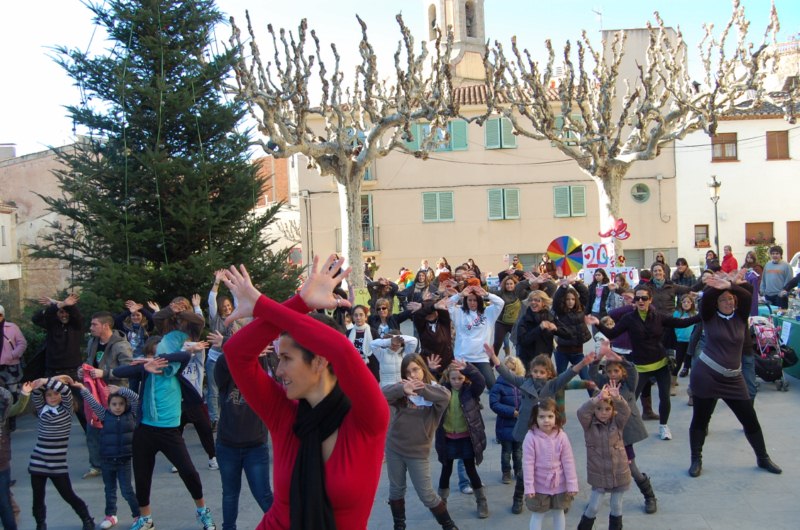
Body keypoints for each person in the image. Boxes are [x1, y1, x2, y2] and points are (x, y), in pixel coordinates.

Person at [221, 255, 390, 529]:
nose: (278, 371)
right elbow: (236, 353)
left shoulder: (368, 419)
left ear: (320, 361)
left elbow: (341, 349)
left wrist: (263, 305)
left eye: (287, 359)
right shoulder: (284, 415)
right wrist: (300, 303)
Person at [113, 316, 217, 530]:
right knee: (142, 476)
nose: (155, 359)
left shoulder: (174, 370)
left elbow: (182, 355)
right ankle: (146, 518)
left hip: (169, 432)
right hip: (145, 430)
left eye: (158, 355)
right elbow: (121, 371)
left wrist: (187, 348)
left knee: (189, 473)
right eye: (152, 355)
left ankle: (202, 511)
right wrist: (144, 365)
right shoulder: (146, 372)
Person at [687, 275, 782, 477]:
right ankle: (696, 459)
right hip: (706, 375)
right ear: (716, 303)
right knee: (701, 420)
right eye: (723, 299)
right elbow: (706, 301)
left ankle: (763, 458)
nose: (728, 302)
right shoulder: (709, 317)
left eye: (731, 299)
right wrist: (715, 288)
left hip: (733, 377)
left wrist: (729, 286)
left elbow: (747, 296)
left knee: (750, 419)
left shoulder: (740, 316)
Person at [486, 345, 596, 514]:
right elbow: (506, 374)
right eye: (535, 371)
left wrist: (584, 363)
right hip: (527, 432)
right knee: (527, 466)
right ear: (530, 372)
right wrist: (494, 357)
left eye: (542, 372)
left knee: (554, 464)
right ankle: (518, 498)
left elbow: (569, 373)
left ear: (549, 373)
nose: (538, 375)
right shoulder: (524, 383)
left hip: (548, 432)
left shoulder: (552, 385)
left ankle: (559, 496)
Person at [587, 285, 701, 441]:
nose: (640, 301)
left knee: (664, 397)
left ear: (650, 300)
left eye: (644, 298)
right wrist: (597, 323)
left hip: (660, 364)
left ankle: (663, 427)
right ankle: (620, 427)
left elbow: (682, 323)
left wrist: (703, 315)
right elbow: (612, 333)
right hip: (640, 367)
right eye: (637, 298)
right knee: (629, 398)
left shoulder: (659, 316)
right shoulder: (629, 318)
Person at [383, 354, 456, 529]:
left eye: (415, 369)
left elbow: (445, 397)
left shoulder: (435, 391)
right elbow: (380, 394)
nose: (412, 375)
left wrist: (419, 389)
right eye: (408, 372)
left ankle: (449, 525)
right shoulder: (400, 390)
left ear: (423, 368)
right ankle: (399, 525)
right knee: (396, 490)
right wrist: (403, 389)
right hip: (394, 447)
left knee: (427, 495)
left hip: (418, 452)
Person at [588, 345, 656, 515]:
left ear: (622, 372)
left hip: (623, 435)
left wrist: (621, 360)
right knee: (601, 467)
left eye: (616, 371)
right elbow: (592, 375)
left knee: (631, 467)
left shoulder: (628, 385)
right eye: (609, 371)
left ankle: (649, 496)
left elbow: (633, 371)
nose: (612, 374)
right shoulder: (603, 384)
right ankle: (595, 500)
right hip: (605, 434)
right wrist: (597, 358)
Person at [214, 350, 274, 530]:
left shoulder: (262, 371)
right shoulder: (225, 377)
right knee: (230, 494)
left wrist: (256, 352)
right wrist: (240, 346)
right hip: (227, 445)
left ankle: (283, 525)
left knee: (263, 494)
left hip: (255, 447)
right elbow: (225, 359)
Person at [28, 376, 95, 530]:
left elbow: (65, 391)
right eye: (49, 395)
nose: (52, 397)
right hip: (38, 462)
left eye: (55, 394)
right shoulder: (42, 410)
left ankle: (87, 518)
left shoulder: (66, 410)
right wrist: (44, 382)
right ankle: (40, 524)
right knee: (37, 498)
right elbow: (36, 390)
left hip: (57, 464)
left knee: (68, 495)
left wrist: (47, 380)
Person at [75, 381, 140, 530]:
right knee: (109, 490)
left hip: (124, 461)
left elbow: (137, 399)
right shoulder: (104, 415)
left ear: (125, 405)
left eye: (121, 404)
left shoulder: (132, 415)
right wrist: (82, 388)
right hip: (107, 460)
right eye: (114, 404)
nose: (117, 407)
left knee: (126, 490)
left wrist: (122, 390)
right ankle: (111, 515)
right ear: (109, 405)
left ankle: (138, 515)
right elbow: (91, 401)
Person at [82, 311, 134, 480]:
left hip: (115, 394)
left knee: (117, 430)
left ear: (106, 326)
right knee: (92, 428)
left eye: (94, 324)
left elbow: (128, 371)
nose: (91, 328)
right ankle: (95, 465)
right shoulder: (93, 342)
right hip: (95, 393)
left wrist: (104, 373)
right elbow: (91, 363)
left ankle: (121, 464)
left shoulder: (121, 345)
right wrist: (84, 371)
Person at [435, 360, 489, 519]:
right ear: (447, 378)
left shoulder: (470, 391)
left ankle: (481, 501)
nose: (457, 382)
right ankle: (441, 503)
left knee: (470, 470)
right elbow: (429, 387)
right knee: (446, 471)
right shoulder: (443, 391)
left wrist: (469, 369)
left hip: (466, 437)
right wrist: (432, 370)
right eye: (453, 379)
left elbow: (481, 381)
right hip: (448, 438)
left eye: (460, 378)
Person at [575, 381, 631, 530]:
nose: (603, 412)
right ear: (594, 410)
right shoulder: (588, 424)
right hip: (599, 474)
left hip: (619, 472)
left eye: (607, 409)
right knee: (593, 507)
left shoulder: (617, 422)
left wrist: (617, 398)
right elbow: (581, 412)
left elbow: (625, 411)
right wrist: (597, 398)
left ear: (613, 410)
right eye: (599, 409)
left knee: (616, 506)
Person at [521, 398, 578, 530]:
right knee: (538, 514)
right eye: (541, 417)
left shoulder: (561, 436)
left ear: (556, 417)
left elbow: (568, 461)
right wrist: (529, 486)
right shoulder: (531, 437)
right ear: (535, 418)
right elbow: (528, 464)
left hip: (560, 483)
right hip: (539, 485)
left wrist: (572, 483)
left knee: (559, 512)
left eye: (550, 416)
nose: (546, 420)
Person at [444, 284, 504, 389]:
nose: (472, 303)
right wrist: (460, 295)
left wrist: (487, 294)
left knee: (493, 386)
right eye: (469, 300)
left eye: (475, 300)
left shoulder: (488, 313)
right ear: (465, 301)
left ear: (480, 301)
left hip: (481, 357)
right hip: (462, 357)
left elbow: (500, 303)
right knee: (461, 387)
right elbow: (448, 304)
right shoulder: (459, 313)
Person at [206, 270, 245, 431]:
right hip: (215, 358)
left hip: (232, 359)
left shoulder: (237, 317)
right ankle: (215, 419)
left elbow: (238, 299)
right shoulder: (215, 318)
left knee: (235, 389)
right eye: (224, 307)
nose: (227, 308)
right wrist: (217, 282)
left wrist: (230, 283)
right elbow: (211, 301)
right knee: (214, 390)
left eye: (229, 306)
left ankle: (235, 416)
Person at [0, 379, 31, 530]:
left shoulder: (3, 406)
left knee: (4, 502)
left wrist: (24, 394)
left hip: (1, 461)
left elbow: (16, 407)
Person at [489, 356, 525, 485]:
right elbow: (494, 403)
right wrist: (511, 412)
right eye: (508, 368)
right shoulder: (499, 385)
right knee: (506, 451)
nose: (511, 372)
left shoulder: (522, 383)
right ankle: (506, 472)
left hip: (520, 425)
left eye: (513, 368)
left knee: (518, 451)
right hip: (505, 424)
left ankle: (518, 470)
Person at [515, 290, 568, 373]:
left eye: (537, 300)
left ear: (543, 303)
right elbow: (522, 341)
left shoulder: (549, 317)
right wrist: (539, 328)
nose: (533, 302)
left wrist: (556, 329)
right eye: (531, 300)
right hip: (528, 361)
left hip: (545, 360)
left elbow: (567, 334)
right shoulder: (525, 319)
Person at [552, 282, 592, 382]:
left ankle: (596, 397)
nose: (570, 302)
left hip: (578, 353)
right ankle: (556, 398)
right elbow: (556, 300)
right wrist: (564, 286)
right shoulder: (560, 311)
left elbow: (586, 294)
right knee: (560, 381)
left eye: (573, 299)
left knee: (587, 379)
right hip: (562, 352)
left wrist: (576, 283)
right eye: (568, 299)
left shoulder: (581, 309)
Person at [0, 304, 26, 412]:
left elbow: (22, 343)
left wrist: (12, 355)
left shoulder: (12, 327)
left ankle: (12, 418)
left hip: (11, 366)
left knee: (13, 392)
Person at [491, 274, 522, 356]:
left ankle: (520, 362)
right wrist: (483, 284)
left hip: (514, 324)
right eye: (507, 284)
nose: (509, 286)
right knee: (497, 344)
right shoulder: (501, 293)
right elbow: (490, 293)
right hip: (501, 323)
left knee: (519, 343)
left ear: (515, 284)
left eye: (511, 284)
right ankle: (491, 363)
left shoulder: (520, 293)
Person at [346, 305, 380, 380]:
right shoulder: (348, 333)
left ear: (366, 317)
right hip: (354, 368)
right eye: (356, 315)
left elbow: (379, 351)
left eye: (361, 315)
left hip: (371, 368)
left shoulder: (373, 332)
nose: (358, 318)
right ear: (353, 318)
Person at [674, 295, 698, 379]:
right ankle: (673, 377)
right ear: (681, 303)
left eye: (688, 302)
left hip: (691, 341)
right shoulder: (677, 313)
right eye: (684, 302)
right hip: (680, 340)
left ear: (692, 303)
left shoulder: (695, 314)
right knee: (678, 359)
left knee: (689, 357)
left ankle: (686, 369)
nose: (686, 304)